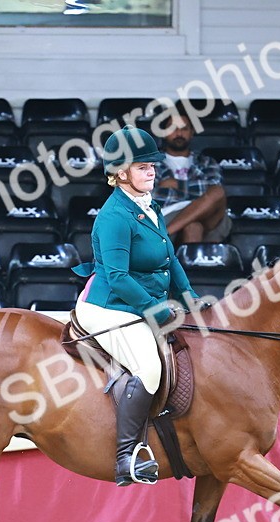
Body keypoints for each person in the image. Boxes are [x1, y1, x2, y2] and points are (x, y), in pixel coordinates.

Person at [72, 126, 200, 486]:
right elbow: (117, 277)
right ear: (120, 173)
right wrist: (154, 310)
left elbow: (169, 258)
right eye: (143, 166)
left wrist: (188, 296)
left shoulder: (149, 207)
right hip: (110, 307)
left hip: (141, 302)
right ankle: (126, 457)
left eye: (152, 166)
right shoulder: (113, 216)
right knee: (149, 367)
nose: (152, 171)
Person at [152, 103, 230, 245]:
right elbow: (151, 196)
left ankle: (162, 236)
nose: (179, 133)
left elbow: (216, 194)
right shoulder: (150, 163)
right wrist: (199, 195)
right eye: (173, 128)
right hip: (166, 215)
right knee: (193, 227)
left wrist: (175, 185)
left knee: (217, 192)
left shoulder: (206, 162)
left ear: (192, 132)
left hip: (209, 219)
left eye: (184, 128)